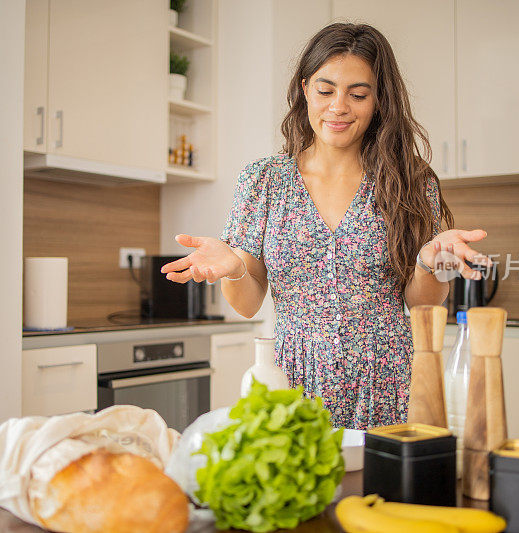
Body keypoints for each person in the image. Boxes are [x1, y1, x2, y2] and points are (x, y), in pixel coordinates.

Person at [161, 23, 491, 429]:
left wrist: (432, 263)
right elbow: (247, 303)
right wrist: (234, 269)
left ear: (378, 101)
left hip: (387, 381)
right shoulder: (264, 180)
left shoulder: (409, 181)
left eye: (357, 94)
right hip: (294, 382)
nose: (339, 107)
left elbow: (422, 304)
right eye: (325, 90)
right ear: (304, 90)